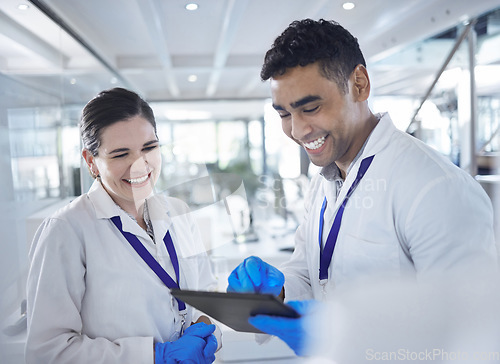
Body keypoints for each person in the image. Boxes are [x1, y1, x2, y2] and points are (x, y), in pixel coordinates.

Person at [227, 19, 499, 355]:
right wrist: (278, 293)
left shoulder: (435, 187)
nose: (297, 130)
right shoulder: (325, 182)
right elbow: (313, 275)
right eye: (284, 114)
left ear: (359, 84)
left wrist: (343, 329)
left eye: (310, 108)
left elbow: (471, 332)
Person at [26, 87, 220, 364]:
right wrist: (154, 356)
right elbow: (47, 351)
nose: (139, 165)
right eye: (120, 155)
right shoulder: (66, 230)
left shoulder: (178, 211)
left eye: (149, 148)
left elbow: (205, 293)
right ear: (91, 162)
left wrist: (206, 330)